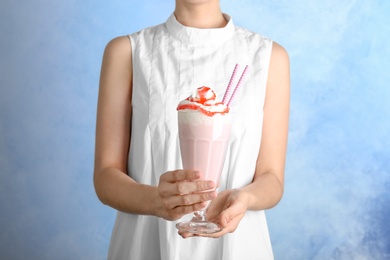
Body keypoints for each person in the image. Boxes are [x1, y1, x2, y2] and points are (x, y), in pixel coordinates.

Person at [94, 0, 290, 259]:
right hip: (145, 245)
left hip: (238, 246)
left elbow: (272, 179)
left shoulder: (268, 57)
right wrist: (155, 201)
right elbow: (106, 177)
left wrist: (245, 199)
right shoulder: (127, 52)